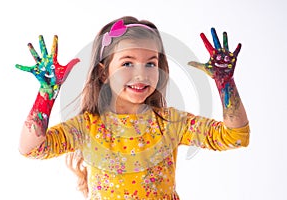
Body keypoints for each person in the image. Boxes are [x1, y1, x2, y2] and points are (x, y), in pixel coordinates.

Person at [16, 16, 250, 199]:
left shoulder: (170, 123)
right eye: (127, 62)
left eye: (151, 63)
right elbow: (32, 148)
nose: (141, 73)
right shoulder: (88, 127)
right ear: (103, 72)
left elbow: (235, 137)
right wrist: (46, 94)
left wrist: (225, 83)